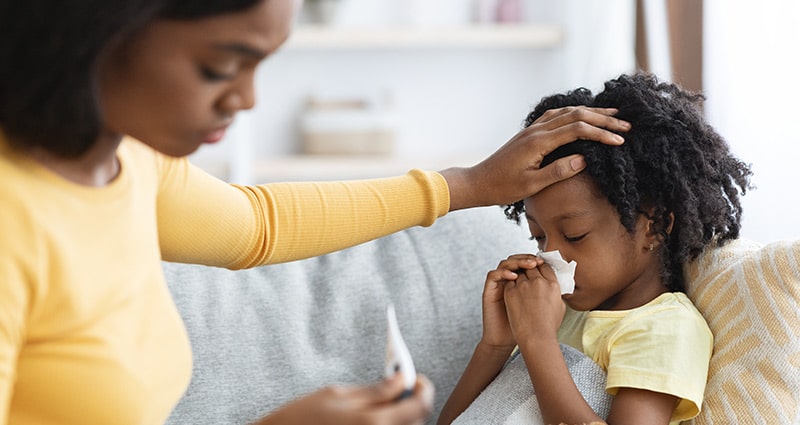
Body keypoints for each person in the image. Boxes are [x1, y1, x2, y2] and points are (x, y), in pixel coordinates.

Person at [0, 1, 632, 425]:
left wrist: (471, 183)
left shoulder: (125, 159)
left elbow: (255, 225)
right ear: (95, 32)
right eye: (219, 66)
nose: (247, 98)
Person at [438, 73, 753, 425]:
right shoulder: (559, 314)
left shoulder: (664, 329)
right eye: (538, 237)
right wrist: (496, 344)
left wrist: (538, 341)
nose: (551, 255)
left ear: (656, 225)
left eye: (574, 236)